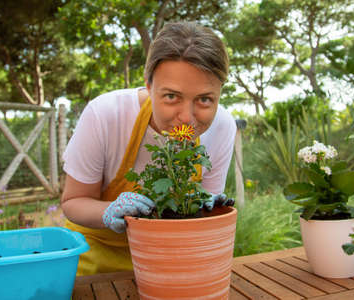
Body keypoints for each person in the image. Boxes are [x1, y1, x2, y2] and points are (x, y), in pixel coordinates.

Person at [61, 21, 237, 276]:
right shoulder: (106, 115)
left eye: (204, 99)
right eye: (171, 96)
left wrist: (208, 210)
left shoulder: (222, 127)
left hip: (170, 260)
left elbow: (203, 210)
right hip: (97, 261)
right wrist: (108, 210)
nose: (187, 117)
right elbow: (73, 202)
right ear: (148, 85)